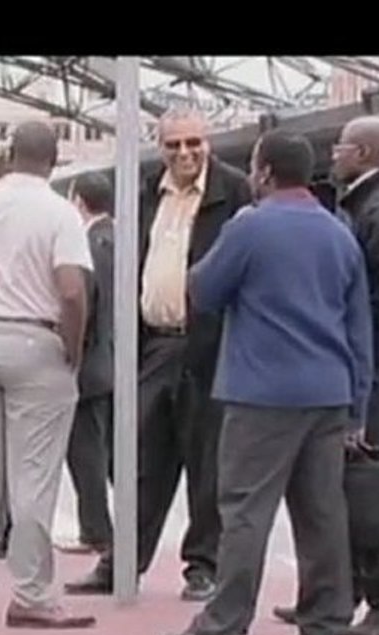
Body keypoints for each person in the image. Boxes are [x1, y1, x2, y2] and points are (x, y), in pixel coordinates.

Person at [158, 130, 374, 635]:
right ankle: (324, 624)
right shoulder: (339, 232)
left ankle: (222, 627)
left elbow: (204, 291)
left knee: (245, 511)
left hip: (262, 394)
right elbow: (359, 326)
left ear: (264, 172)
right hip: (328, 393)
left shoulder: (250, 226)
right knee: (322, 510)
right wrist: (358, 407)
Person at [65, 107, 252, 602]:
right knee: (141, 459)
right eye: (174, 145)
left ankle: (203, 566)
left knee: (207, 461)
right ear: (160, 145)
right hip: (155, 344)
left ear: (207, 142)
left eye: (194, 143)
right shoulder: (146, 192)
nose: (185, 153)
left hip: (211, 346)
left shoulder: (234, 192)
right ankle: (123, 560)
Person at [274, 115, 379, 635]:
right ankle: (340, 596)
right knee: (352, 475)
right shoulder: (364, 204)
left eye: (340, 147)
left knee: (376, 475)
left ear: (364, 153)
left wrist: (371, 329)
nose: (333, 155)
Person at [0, 122, 96, 628]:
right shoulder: (60, 213)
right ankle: (31, 593)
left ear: (10, 154)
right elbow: (72, 291)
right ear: (55, 160)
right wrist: (71, 346)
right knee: (33, 477)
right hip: (34, 339)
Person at [56, 171, 115, 556]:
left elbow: (84, 306)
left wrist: (71, 353)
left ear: (78, 202)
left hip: (89, 366)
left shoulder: (89, 246)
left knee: (85, 454)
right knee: (105, 451)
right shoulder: (119, 239)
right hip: (111, 362)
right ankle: (104, 529)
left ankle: (96, 531)